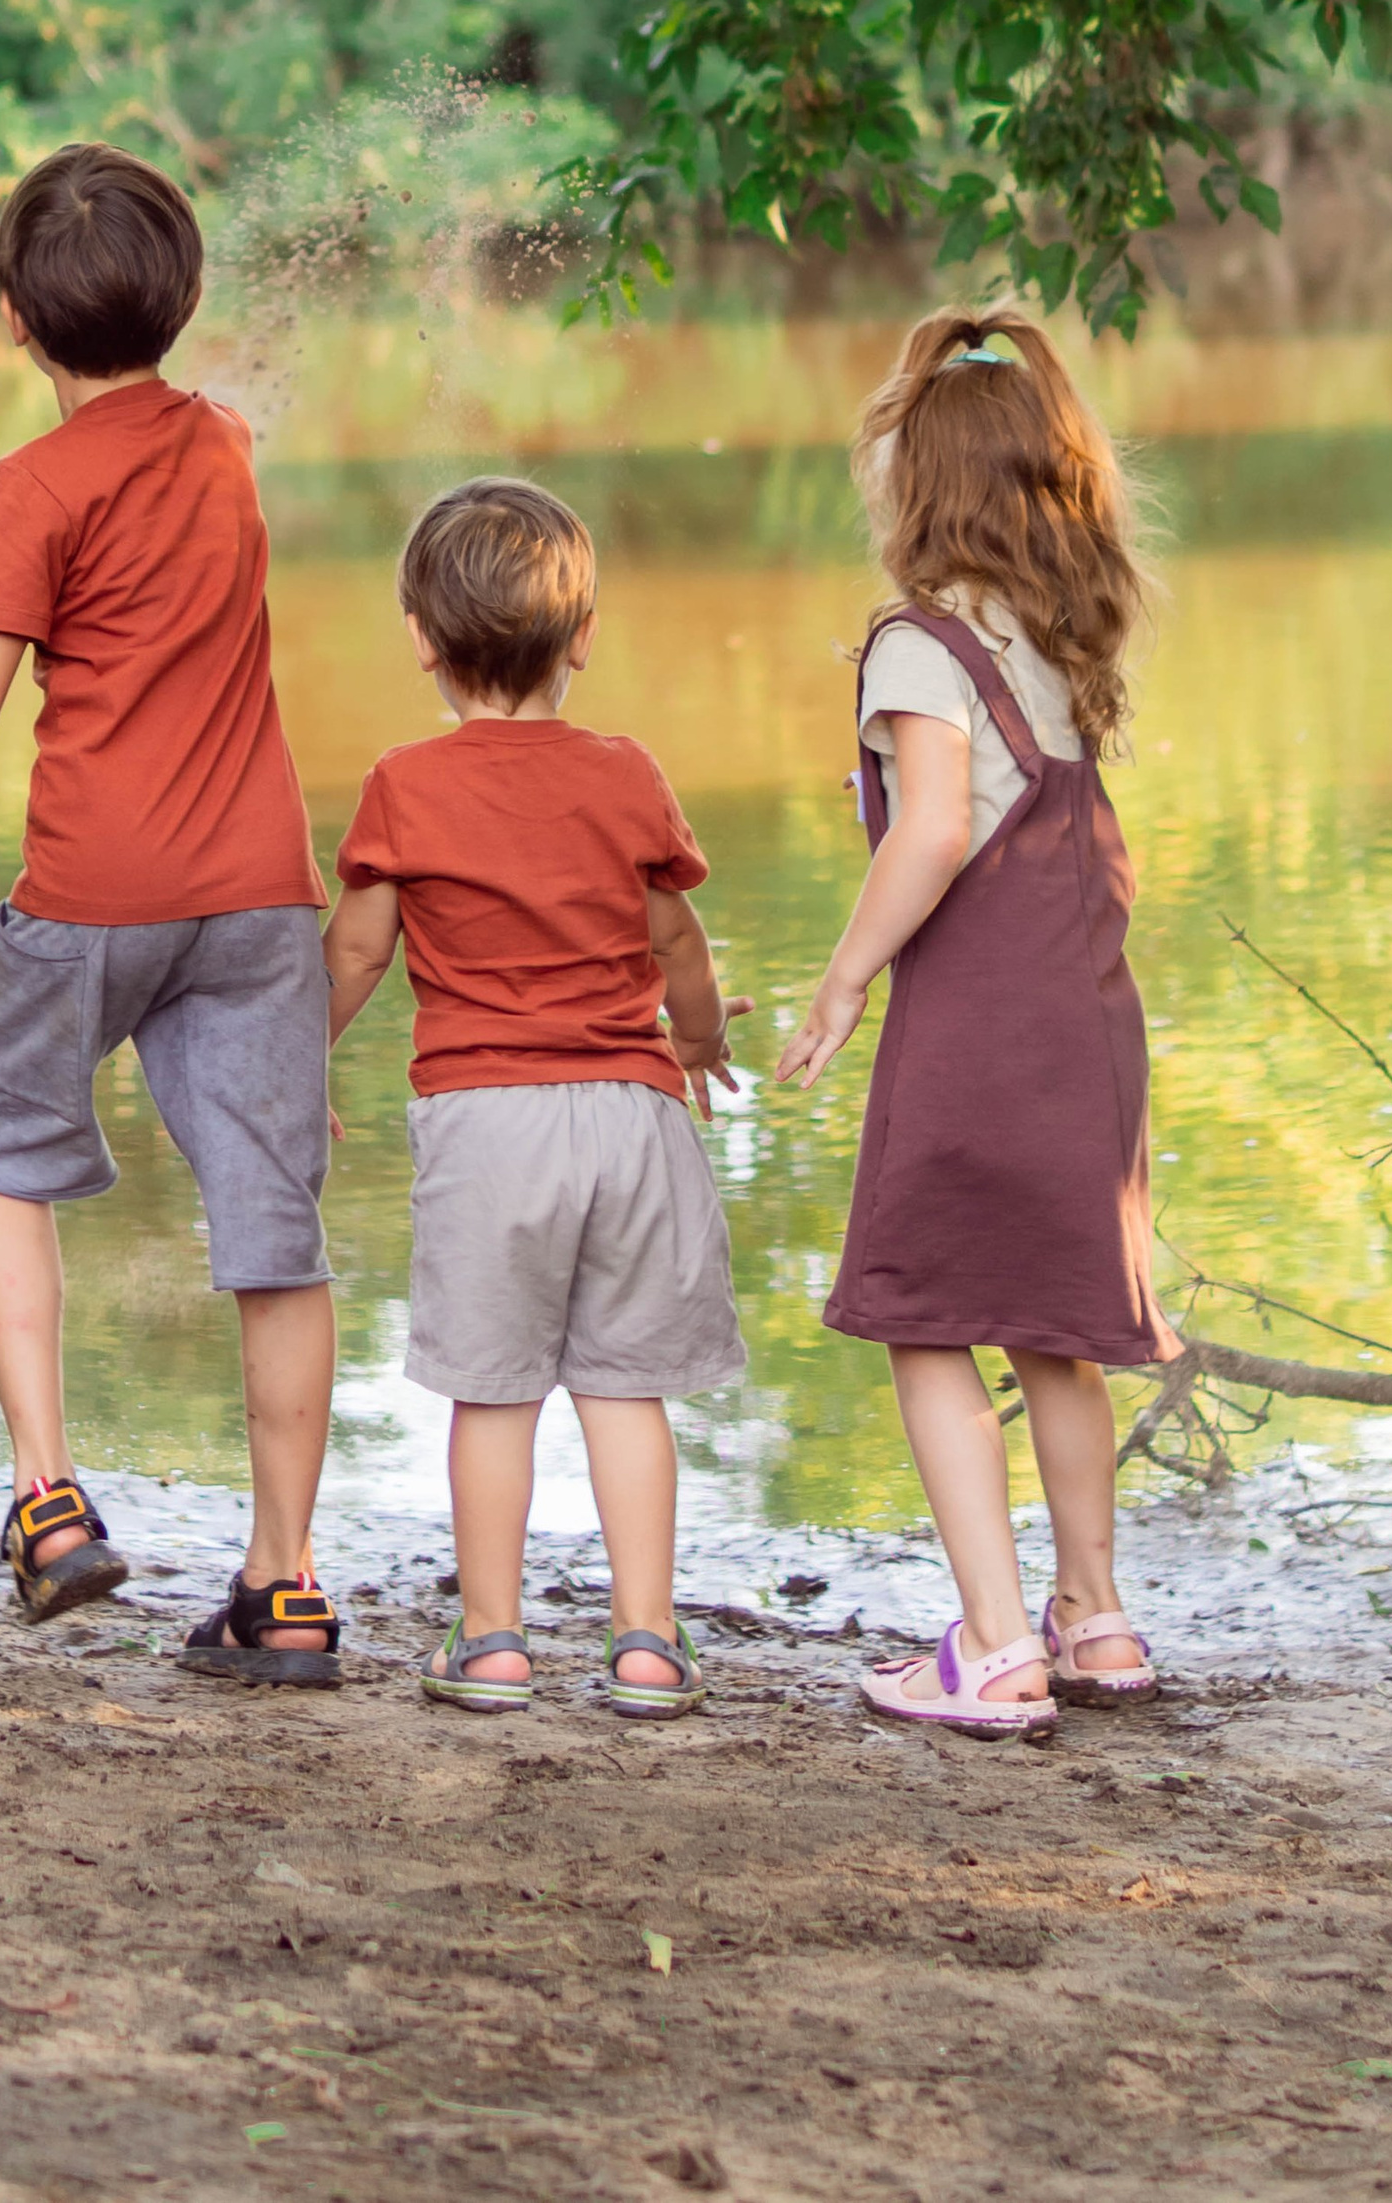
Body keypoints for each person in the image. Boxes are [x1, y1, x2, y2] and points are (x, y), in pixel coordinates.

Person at [0, 143, 345, 1683]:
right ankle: (284, 1583)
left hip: (92, 892)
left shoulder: (29, 486)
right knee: (276, 1233)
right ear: (181, 301)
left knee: (3, 1152)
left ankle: (48, 1499)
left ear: (11, 321)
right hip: (257, 899)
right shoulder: (227, 441)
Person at [774, 310, 1170, 1742]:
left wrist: (842, 977)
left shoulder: (919, 642)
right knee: (1054, 1329)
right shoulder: (1070, 640)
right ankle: (1093, 1612)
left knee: (926, 1318)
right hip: (1089, 1028)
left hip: (978, 1027)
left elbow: (934, 830)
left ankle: (994, 1645)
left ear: (918, 481)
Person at [323, 478, 749, 1717]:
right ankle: (647, 1641)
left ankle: (496, 1640)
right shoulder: (626, 774)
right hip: (632, 1110)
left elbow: (357, 952)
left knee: (493, 1392)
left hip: (488, 1120)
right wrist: (700, 1040)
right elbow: (679, 938)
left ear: (420, 638)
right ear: (582, 637)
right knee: (626, 1389)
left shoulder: (405, 784)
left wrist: (293, 1064)